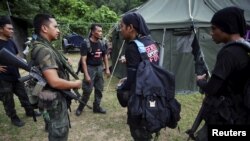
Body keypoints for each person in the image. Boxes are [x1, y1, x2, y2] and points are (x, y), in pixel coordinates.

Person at [195, 7, 250, 141]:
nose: (211, 33)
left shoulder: (228, 54)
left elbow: (212, 89)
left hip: (226, 116)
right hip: (242, 114)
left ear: (227, 28)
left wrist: (200, 81)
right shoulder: (246, 49)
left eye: (214, 28)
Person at [31, 14, 82, 141]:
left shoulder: (39, 45)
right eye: (55, 26)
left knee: (53, 126)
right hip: (53, 97)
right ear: (44, 28)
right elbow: (54, 82)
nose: (58, 30)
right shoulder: (44, 50)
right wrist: (75, 84)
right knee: (59, 132)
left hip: (46, 95)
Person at [119, 12, 160, 141]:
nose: (120, 30)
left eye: (122, 26)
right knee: (149, 122)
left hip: (140, 97)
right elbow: (147, 66)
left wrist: (121, 86)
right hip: (153, 92)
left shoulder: (132, 47)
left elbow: (131, 80)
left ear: (130, 27)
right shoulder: (150, 42)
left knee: (138, 131)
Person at [0, 15, 40, 127]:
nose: (12, 31)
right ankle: (14, 118)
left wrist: (24, 63)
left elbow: (17, 56)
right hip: (3, 79)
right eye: (9, 28)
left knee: (24, 95)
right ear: (1, 29)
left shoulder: (11, 42)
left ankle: (30, 111)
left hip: (15, 76)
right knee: (8, 101)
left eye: (12, 29)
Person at [75, 24, 110, 116]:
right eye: (98, 31)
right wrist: (86, 75)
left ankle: (97, 107)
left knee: (99, 89)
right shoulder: (85, 43)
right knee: (87, 90)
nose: (100, 33)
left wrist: (106, 69)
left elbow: (105, 56)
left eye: (101, 31)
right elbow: (83, 60)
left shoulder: (102, 43)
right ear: (92, 32)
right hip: (90, 68)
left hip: (99, 68)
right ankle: (80, 107)